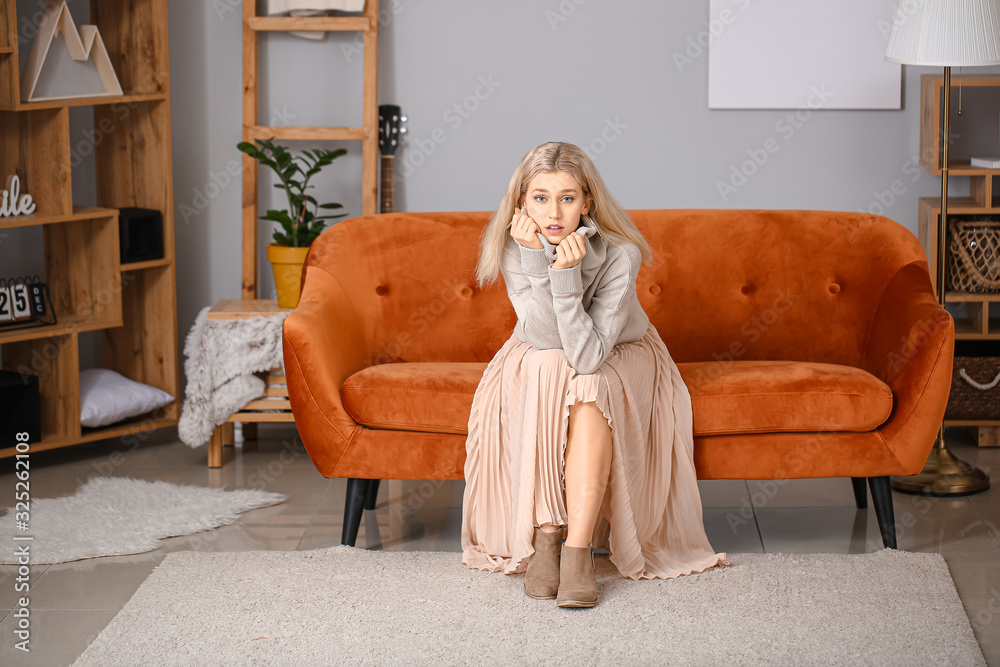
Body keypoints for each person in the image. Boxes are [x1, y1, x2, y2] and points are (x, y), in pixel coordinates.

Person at [460, 141, 727, 608]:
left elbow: (587, 354)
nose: (553, 212)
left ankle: (577, 549)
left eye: (567, 197)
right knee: (546, 364)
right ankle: (548, 534)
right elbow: (546, 338)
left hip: (620, 354)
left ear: (588, 202)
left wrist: (563, 276)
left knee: (590, 382)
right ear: (521, 202)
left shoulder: (620, 252)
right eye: (540, 197)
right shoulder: (516, 245)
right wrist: (536, 258)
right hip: (542, 353)